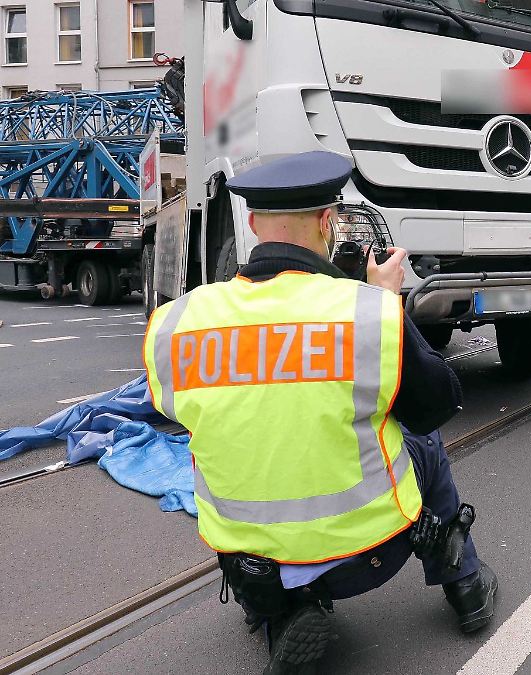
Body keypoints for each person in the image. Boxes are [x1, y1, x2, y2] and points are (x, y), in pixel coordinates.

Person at [142, 151, 498, 674]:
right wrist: (388, 304)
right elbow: (438, 406)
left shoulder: (176, 325)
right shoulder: (367, 311)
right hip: (370, 555)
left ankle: (282, 612)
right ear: (328, 223)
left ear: (255, 223)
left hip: (252, 563)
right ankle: (463, 582)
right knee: (419, 438)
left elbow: (188, 416)